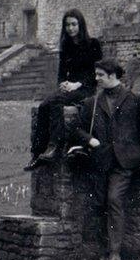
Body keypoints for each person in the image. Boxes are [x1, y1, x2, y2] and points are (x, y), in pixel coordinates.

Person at [74, 58, 140, 260]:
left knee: (114, 199)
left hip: (124, 162)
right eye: (96, 75)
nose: (96, 79)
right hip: (99, 160)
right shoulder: (92, 102)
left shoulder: (135, 100)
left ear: (113, 76)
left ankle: (115, 254)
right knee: (98, 205)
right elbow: (77, 128)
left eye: (100, 75)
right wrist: (89, 140)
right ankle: (102, 254)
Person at [25, 9, 103, 171]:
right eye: (67, 25)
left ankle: (54, 146)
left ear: (80, 25)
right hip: (69, 88)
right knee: (44, 105)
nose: (70, 28)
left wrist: (77, 84)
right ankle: (37, 153)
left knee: (56, 102)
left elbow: (96, 73)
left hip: (86, 89)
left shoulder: (93, 44)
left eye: (74, 24)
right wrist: (63, 84)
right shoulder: (66, 46)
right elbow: (61, 73)